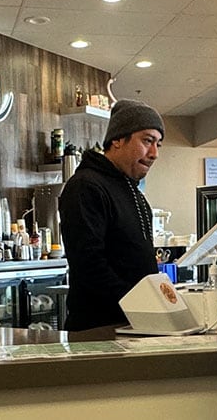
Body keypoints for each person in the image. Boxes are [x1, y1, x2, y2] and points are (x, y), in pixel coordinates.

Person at [59, 99, 164, 331]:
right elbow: (89, 264)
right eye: (147, 141)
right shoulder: (86, 186)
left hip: (135, 323)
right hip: (98, 329)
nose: (154, 153)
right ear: (117, 140)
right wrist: (139, 304)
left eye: (158, 144)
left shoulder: (133, 191)